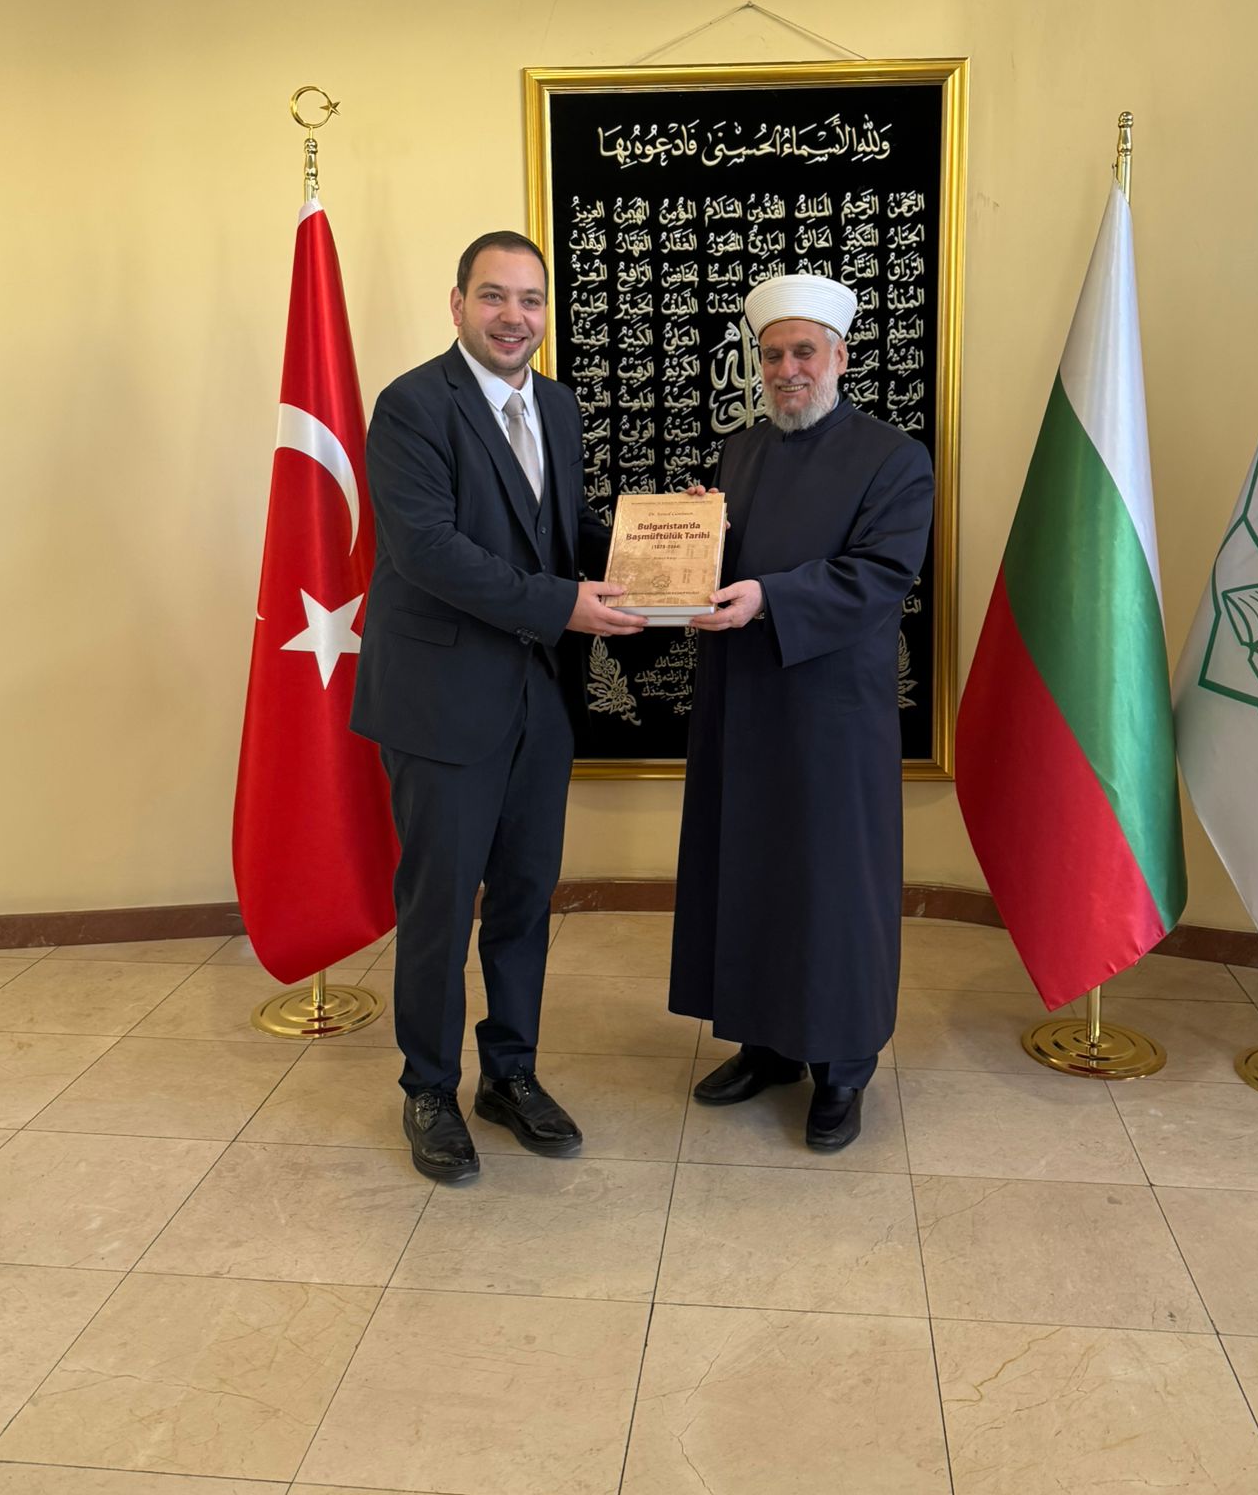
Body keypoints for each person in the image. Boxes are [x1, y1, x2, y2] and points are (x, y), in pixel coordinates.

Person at [352, 231, 644, 1183]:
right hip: (441, 705)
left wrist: (661, 541)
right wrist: (564, 604)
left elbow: (561, 532)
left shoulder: (556, 405)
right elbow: (431, 551)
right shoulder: (411, 406)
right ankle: (430, 1090)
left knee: (524, 897)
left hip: (537, 702)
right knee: (440, 906)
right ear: (457, 305)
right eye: (494, 296)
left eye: (530, 299)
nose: (514, 317)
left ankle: (509, 1074)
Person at [670, 272, 935, 1151]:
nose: (788, 370)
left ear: (840, 358)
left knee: (831, 888)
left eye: (803, 353)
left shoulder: (894, 458)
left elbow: (878, 574)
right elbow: (724, 572)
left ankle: (843, 1067)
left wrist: (768, 596)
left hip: (832, 716)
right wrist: (702, 539)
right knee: (750, 871)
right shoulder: (740, 453)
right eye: (773, 354)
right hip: (743, 701)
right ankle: (766, 1044)